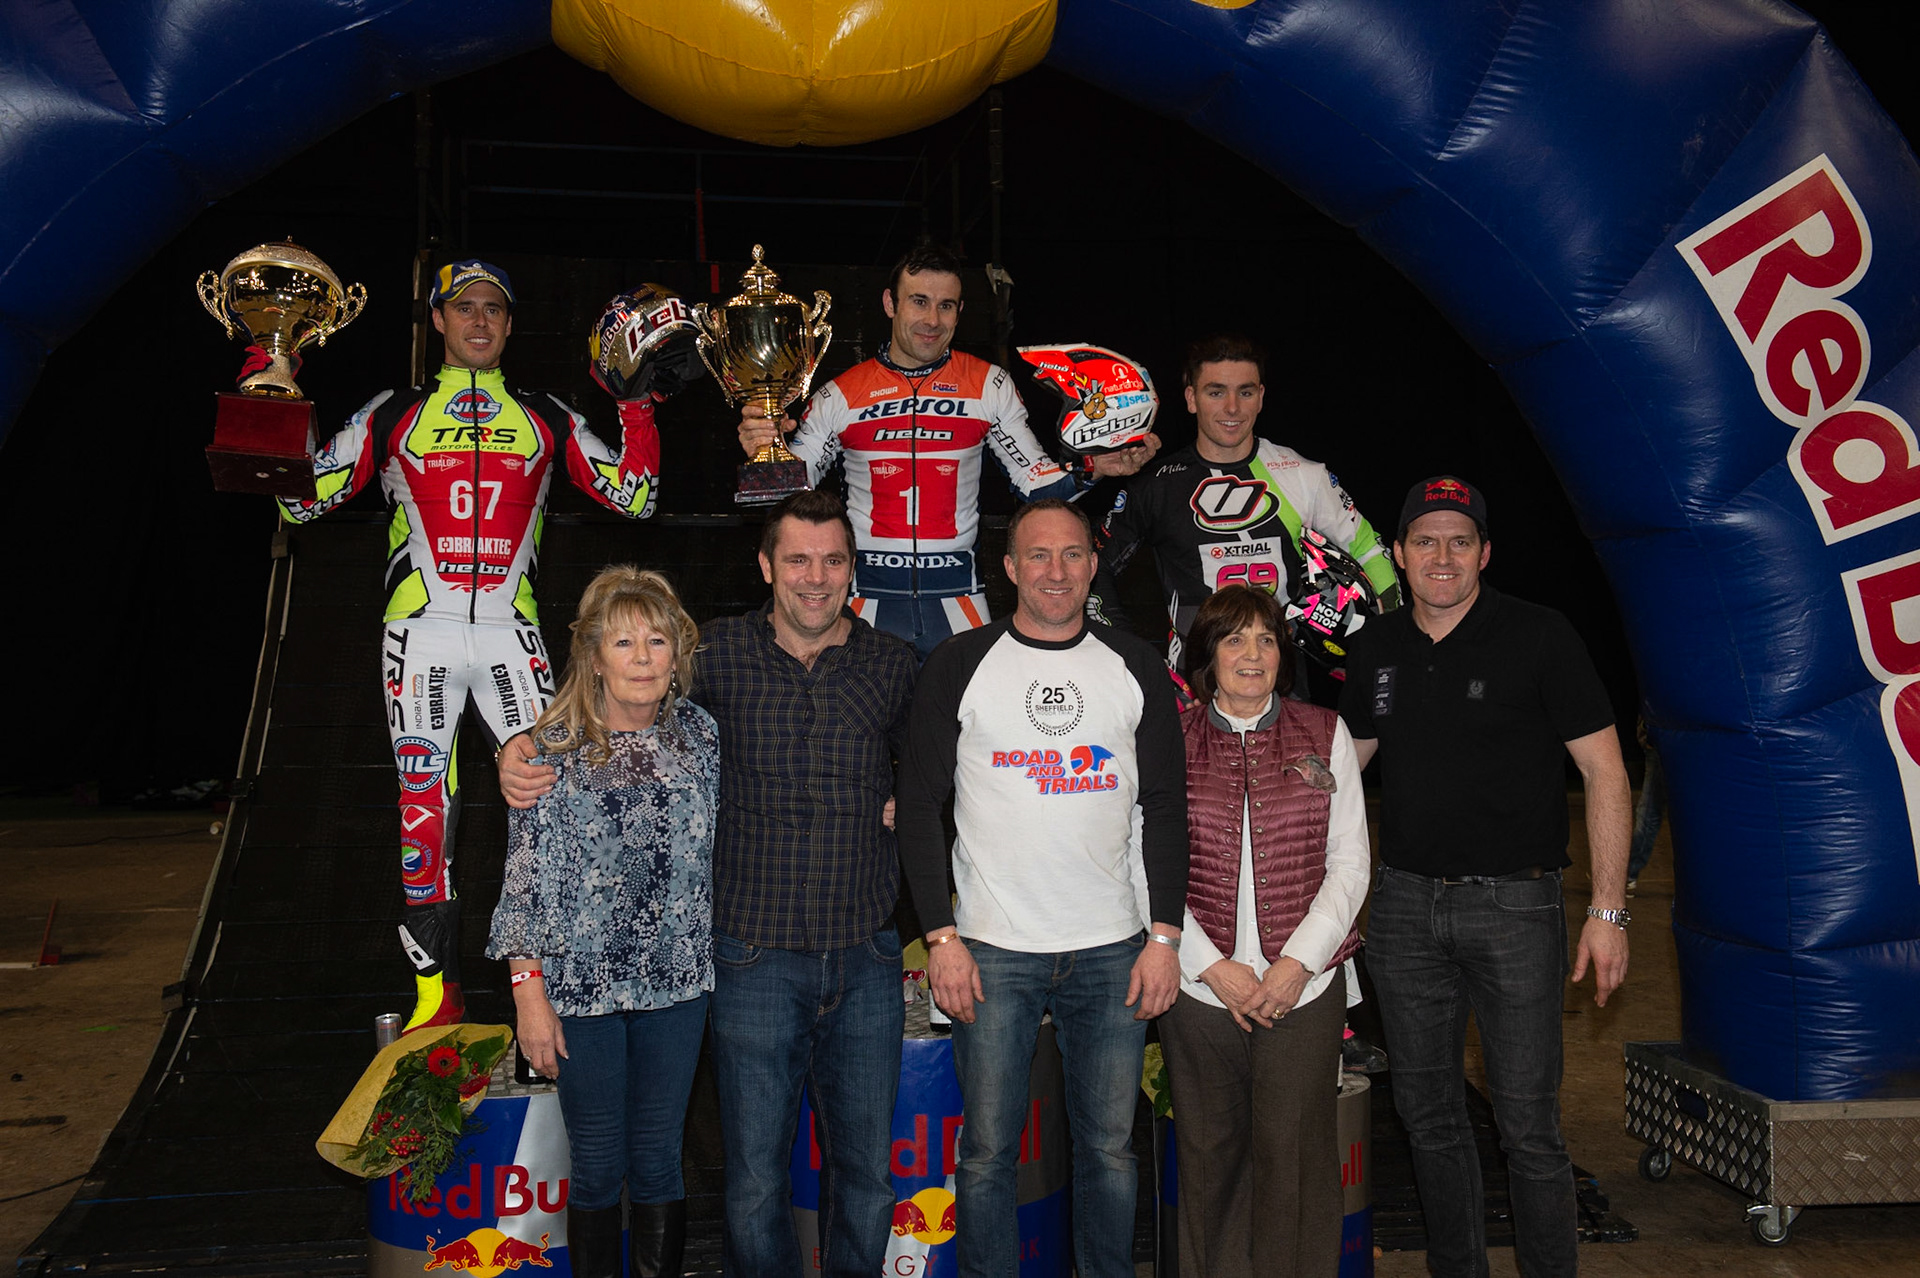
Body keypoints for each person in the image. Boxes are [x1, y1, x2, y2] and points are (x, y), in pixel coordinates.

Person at [500, 490, 917, 1278]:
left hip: (856, 955)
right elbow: (597, 722)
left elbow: (941, 765)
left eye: (832, 561)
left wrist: (905, 787)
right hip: (744, 959)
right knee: (750, 1180)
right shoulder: (716, 659)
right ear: (766, 566)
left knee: (863, 1177)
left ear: (853, 571)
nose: (815, 577)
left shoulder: (889, 667)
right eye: (796, 558)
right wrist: (518, 747)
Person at [281, 259, 677, 1031]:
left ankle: (568, 983)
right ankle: (437, 996)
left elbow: (636, 497)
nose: (480, 321)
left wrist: (637, 408)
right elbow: (301, 502)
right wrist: (277, 391)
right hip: (419, 633)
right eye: (465, 308)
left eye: (494, 308)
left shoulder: (544, 414)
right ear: (437, 319)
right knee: (425, 806)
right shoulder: (394, 410)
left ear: (508, 322)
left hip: (508, 629)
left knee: (557, 796)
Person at [1337, 476, 1631, 1278]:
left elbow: (1606, 773)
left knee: (1529, 1127)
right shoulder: (1376, 646)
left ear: (1485, 553)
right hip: (1401, 909)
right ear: (1398, 554)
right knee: (1427, 1117)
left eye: (1459, 541)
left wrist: (1609, 912)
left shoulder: (1540, 636)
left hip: (1517, 905)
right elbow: (1338, 770)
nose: (1442, 556)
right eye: (1424, 540)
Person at [896, 498, 1188, 1278]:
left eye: (1071, 555)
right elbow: (920, 807)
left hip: (1113, 952)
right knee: (987, 1152)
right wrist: (942, 938)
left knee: (1109, 1149)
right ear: (1010, 567)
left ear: (1092, 566)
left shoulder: (1134, 664)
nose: (1054, 571)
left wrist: (1166, 938)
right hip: (992, 953)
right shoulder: (960, 663)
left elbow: (1164, 808)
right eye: (1038, 556)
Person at [738, 243, 1159, 659]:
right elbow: (792, 495)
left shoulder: (988, 385)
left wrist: (1094, 466)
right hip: (865, 599)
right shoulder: (840, 395)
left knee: (967, 725)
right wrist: (763, 450)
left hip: (958, 598)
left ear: (960, 311)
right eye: (919, 302)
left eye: (947, 306)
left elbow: (1034, 483)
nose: (932, 320)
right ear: (890, 303)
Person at [487, 567, 715, 1278]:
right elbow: (521, 883)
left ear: (678, 654)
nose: (644, 657)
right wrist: (529, 997)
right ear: (593, 657)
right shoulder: (546, 752)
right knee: (595, 1167)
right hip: (579, 997)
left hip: (678, 991)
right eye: (624, 642)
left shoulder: (701, 738)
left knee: (658, 1163)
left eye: (658, 640)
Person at [1160, 584, 1369, 1278]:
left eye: (1267, 639)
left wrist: (1297, 964)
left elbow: (1350, 863)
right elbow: (1139, 864)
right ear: (1207, 655)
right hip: (1199, 991)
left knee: (1296, 1162)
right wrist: (1212, 967)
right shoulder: (1168, 740)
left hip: (1302, 995)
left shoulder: (1324, 733)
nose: (1253, 654)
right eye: (1234, 639)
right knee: (1209, 1162)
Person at [1088, 333, 1399, 672]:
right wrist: (1131, 654)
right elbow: (1094, 565)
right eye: (1216, 392)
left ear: (1261, 397)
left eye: (1246, 392)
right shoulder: (1155, 485)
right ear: (1192, 398)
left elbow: (1367, 545)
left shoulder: (1303, 474)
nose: (1232, 407)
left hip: (1283, 683)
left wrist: (1395, 632)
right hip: (1194, 688)